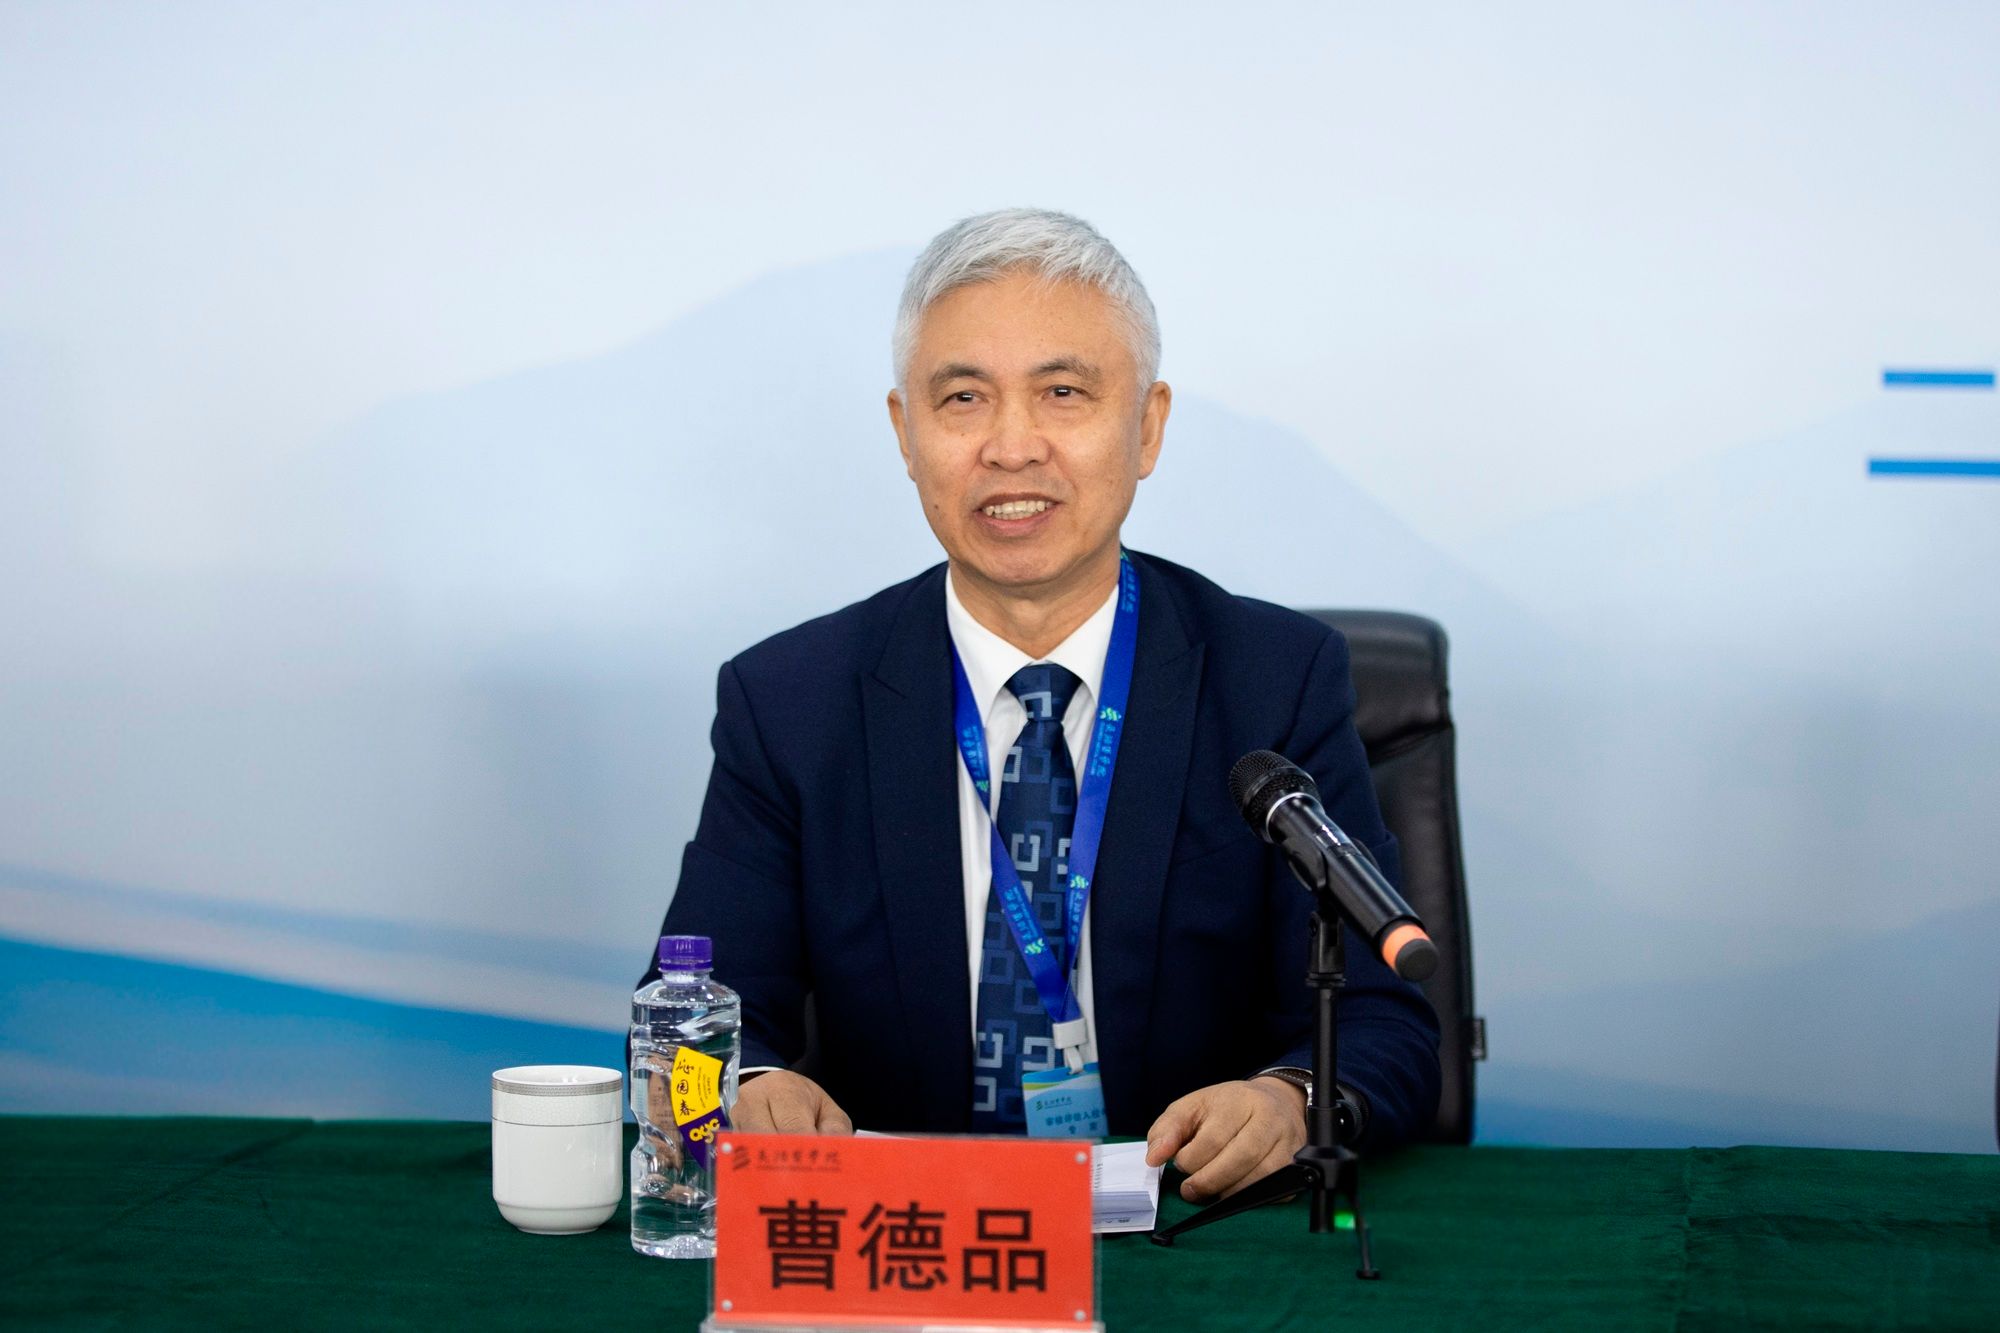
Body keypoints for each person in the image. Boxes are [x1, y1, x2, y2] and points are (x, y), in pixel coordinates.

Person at [648, 208, 1439, 1202]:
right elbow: (688, 1013)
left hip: (1187, 1223)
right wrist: (746, 1081)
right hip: (907, 1235)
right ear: (905, 433)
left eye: (1062, 393)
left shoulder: (1272, 682)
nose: (1012, 447)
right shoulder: (791, 702)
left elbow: (1383, 1019)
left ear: (1146, 427)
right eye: (963, 399)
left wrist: (1290, 1098)